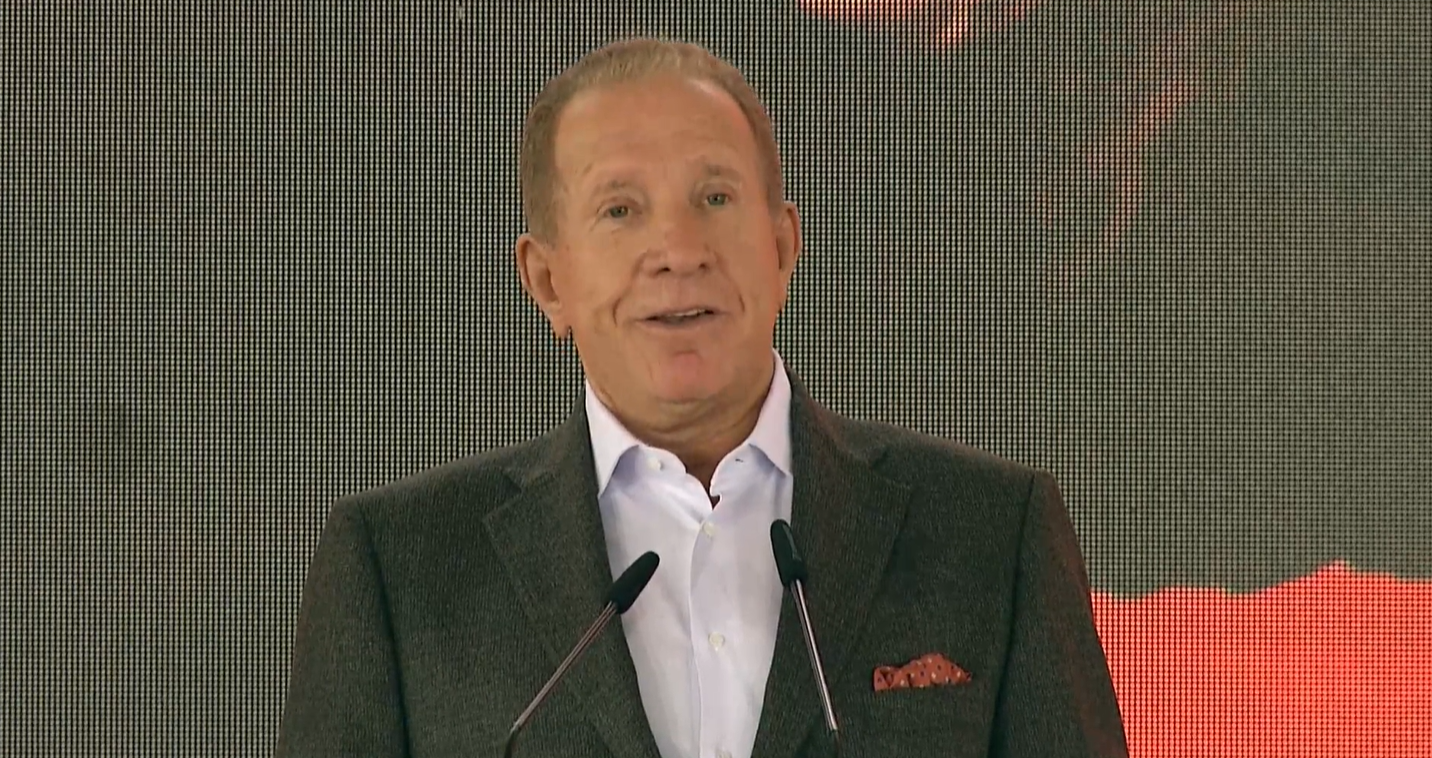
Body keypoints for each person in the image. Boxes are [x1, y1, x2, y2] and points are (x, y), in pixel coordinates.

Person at [275, 37, 1128, 758]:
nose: (679, 250)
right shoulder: (400, 563)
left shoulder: (989, 529)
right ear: (547, 281)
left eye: (715, 198)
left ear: (782, 247)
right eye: (620, 211)